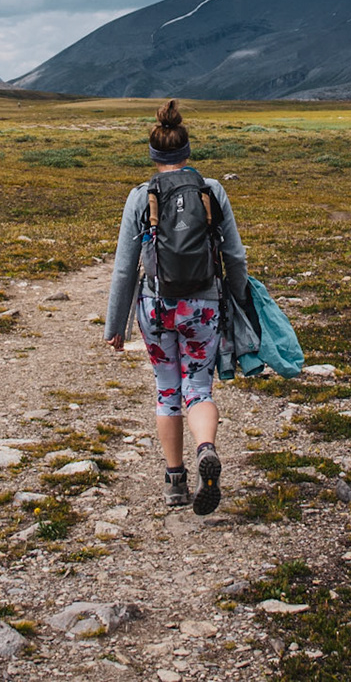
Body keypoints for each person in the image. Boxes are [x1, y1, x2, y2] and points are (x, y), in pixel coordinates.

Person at [104, 100, 248, 513]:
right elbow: (234, 256)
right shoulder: (211, 190)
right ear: (187, 151)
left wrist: (115, 326)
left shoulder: (140, 196)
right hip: (203, 305)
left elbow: (124, 269)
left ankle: (174, 482)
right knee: (198, 387)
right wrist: (240, 302)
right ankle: (206, 448)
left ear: (153, 154)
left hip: (155, 306)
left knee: (167, 389)